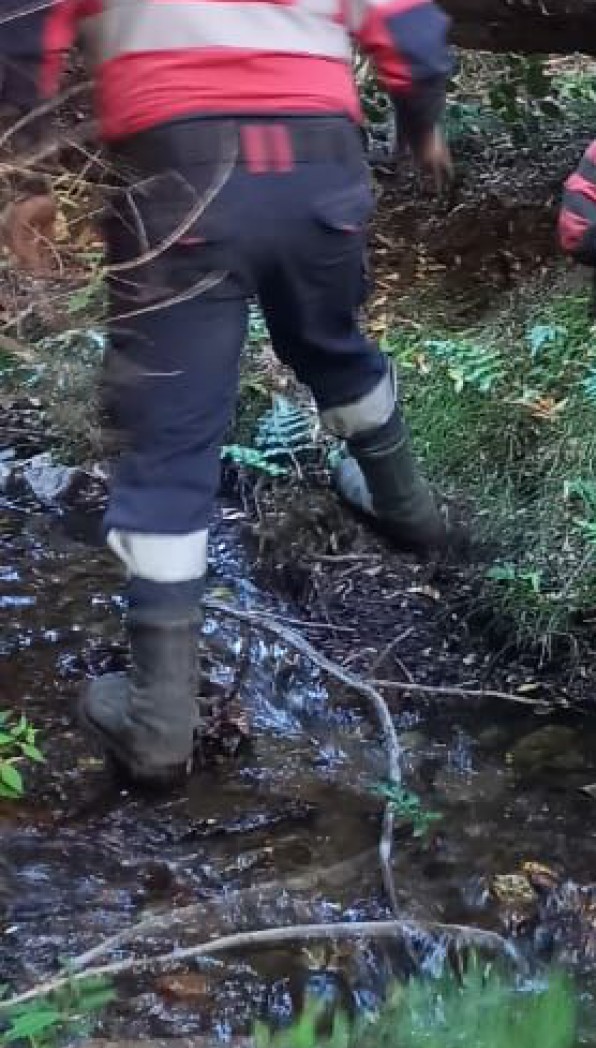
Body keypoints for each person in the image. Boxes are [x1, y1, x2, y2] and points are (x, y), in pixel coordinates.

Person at [0, 0, 457, 786]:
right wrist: (423, 132)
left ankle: (159, 723)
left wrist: (27, 177)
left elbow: (22, 32)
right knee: (331, 346)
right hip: (321, 174)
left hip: (181, 177)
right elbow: (414, 35)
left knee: (172, 440)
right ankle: (407, 508)